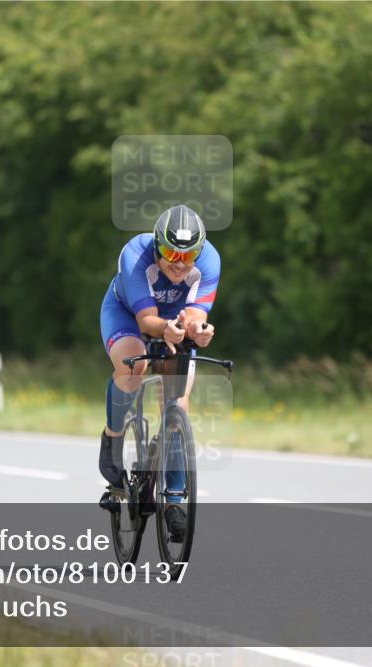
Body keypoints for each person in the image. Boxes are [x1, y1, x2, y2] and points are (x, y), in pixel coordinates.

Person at [98, 205, 219, 536]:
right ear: (156, 245)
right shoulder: (136, 254)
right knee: (132, 366)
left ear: (200, 250)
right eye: (169, 252)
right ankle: (113, 438)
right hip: (129, 314)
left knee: (178, 402)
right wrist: (165, 328)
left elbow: (195, 315)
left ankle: (175, 499)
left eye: (188, 255)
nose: (179, 264)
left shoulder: (210, 261)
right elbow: (146, 321)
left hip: (174, 322)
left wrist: (199, 331)